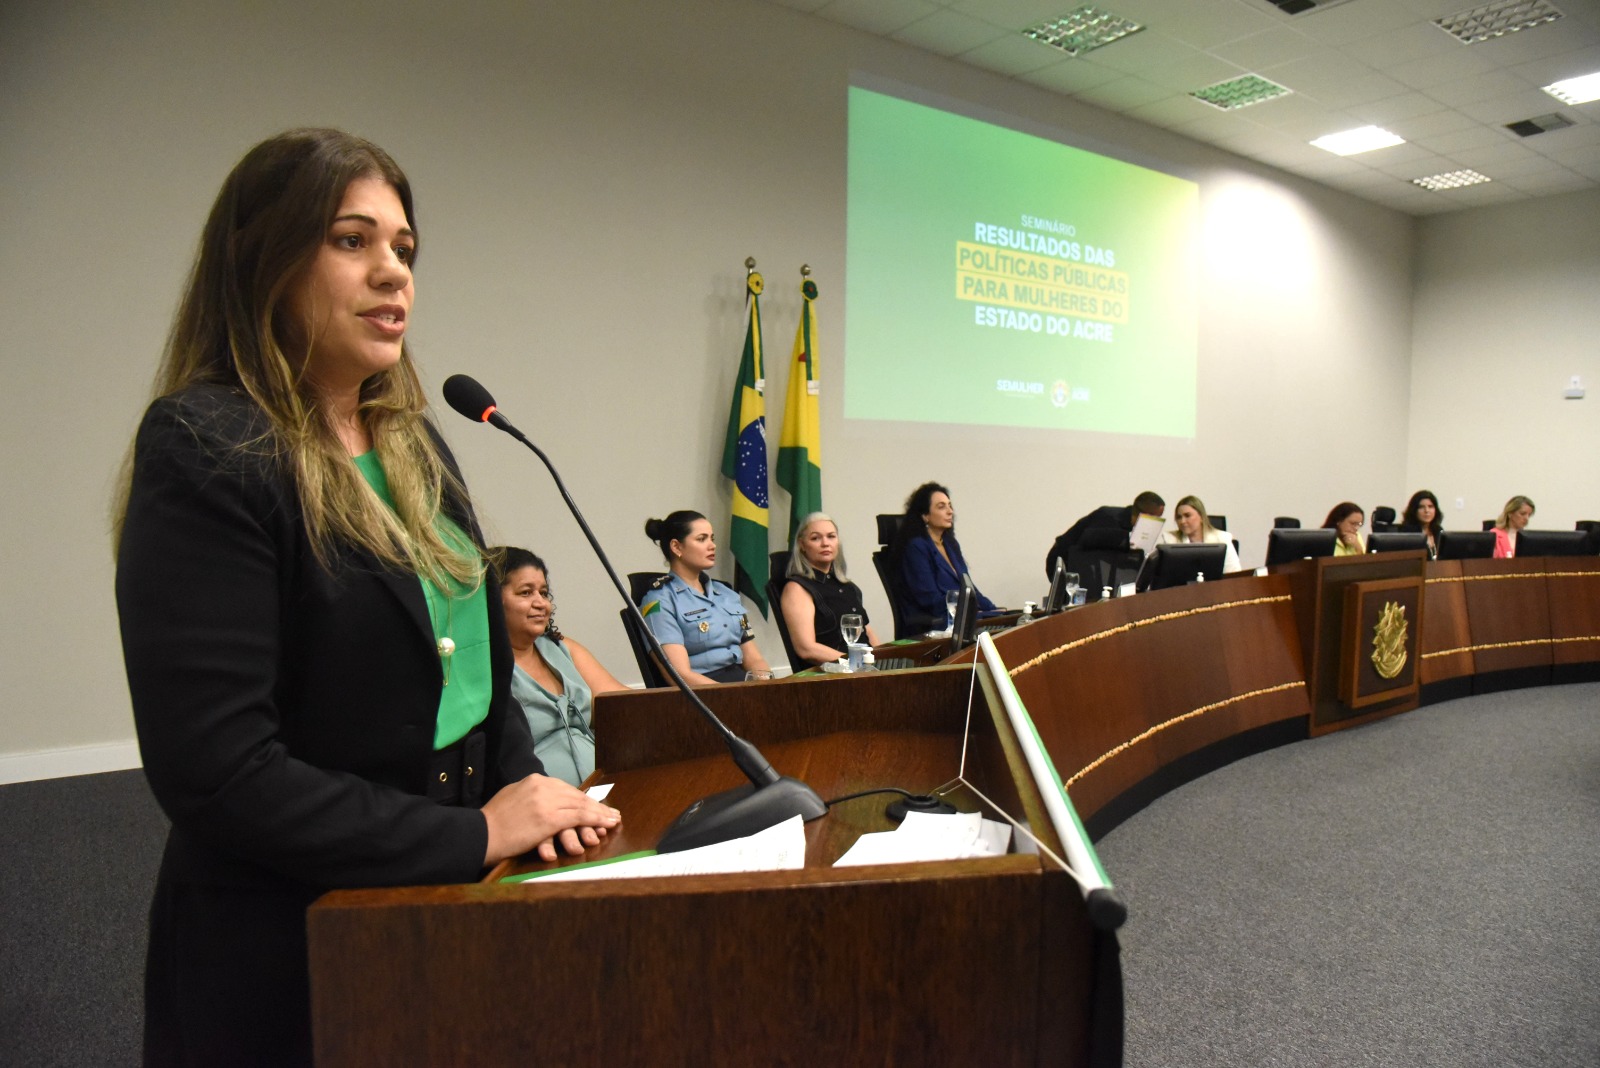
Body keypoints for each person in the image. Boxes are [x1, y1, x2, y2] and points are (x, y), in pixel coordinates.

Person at [112, 130, 619, 1067]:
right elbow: (218, 771)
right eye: (354, 241)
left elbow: (480, 666)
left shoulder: (415, 439)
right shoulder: (207, 445)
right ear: (262, 259)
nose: (393, 273)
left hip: (446, 915)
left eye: (404, 249)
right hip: (289, 954)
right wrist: (468, 835)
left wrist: (527, 793)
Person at [495, 546, 627, 787]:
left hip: (607, 786)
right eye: (526, 593)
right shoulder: (486, 665)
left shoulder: (563, 648)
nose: (541, 603)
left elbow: (625, 707)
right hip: (542, 804)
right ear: (493, 600)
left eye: (544, 593)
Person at [640, 510, 772, 683]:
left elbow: (754, 659)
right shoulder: (659, 601)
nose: (712, 545)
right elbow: (680, 676)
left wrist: (767, 687)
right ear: (676, 547)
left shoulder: (725, 593)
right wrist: (737, 697)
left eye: (712, 538)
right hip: (702, 695)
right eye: (702, 539)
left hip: (740, 684)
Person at [780, 512, 883, 665]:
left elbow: (866, 631)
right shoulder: (797, 588)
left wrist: (885, 659)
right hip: (834, 673)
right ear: (802, 545)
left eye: (831, 536)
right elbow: (806, 649)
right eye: (815, 538)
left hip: (863, 667)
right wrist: (855, 663)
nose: (825, 543)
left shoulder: (848, 586)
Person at [892, 481, 998, 625]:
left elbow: (970, 590)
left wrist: (995, 612)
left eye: (950, 506)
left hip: (962, 619)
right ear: (925, 515)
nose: (950, 511)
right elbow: (929, 599)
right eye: (941, 507)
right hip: (938, 623)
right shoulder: (916, 547)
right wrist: (972, 612)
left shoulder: (950, 544)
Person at [1046, 490, 1166, 576]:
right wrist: (1129, 539)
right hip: (1062, 562)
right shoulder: (1108, 516)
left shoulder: (1135, 526)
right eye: (1154, 519)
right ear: (1143, 515)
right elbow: (1088, 539)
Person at [1161, 495, 1242, 573]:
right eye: (1179, 517)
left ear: (1201, 517)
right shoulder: (1170, 540)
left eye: (1187, 515)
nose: (1182, 521)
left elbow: (1234, 573)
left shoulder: (1223, 538)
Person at [1399, 490, 1444, 559]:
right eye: (1421, 507)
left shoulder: (1438, 531)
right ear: (1414, 510)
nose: (1426, 511)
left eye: (1430, 506)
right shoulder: (1407, 533)